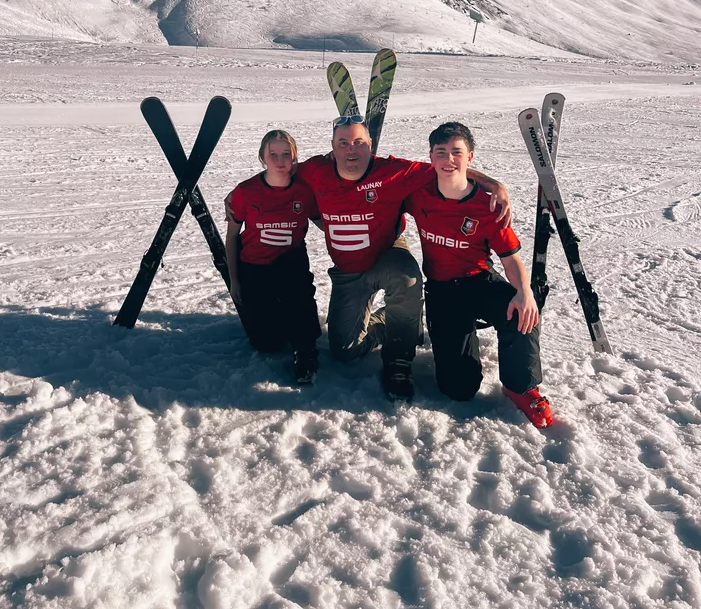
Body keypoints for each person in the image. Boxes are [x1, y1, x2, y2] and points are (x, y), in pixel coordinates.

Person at [295, 116, 511, 401]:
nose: (351, 150)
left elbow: (445, 168)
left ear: (370, 145)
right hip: (348, 270)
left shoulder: (393, 171)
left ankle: (400, 354)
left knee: (406, 277)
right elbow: (280, 172)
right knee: (345, 350)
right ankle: (394, 322)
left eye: (359, 143)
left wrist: (493, 183)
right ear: (332, 148)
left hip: (386, 252)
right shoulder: (315, 170)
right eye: (343, 143)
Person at [403, 121, 553, 428]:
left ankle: (521, 386)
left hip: (479, 279)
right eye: (441, 152)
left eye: (457, 152)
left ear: (470, 157)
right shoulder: (418, 193)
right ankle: (459, 341)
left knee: (521, 309)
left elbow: (510, 260)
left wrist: (524, 292)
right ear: (431, 156)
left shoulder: (488, 205)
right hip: (443, 291)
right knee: (458, 389)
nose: (448, 160)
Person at [225, 129, 321, 384]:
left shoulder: (305, 191)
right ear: (262, 158)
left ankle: (306, 350)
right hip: (255, 266)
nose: (280, 160)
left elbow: (327, 222)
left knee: (298, 295)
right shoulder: (246, 191)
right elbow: (232, 236)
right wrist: (235, 280)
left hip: (291, 263)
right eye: (273, 154)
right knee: (267, 343)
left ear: (294, 158)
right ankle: (280, 319)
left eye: (286, 154)